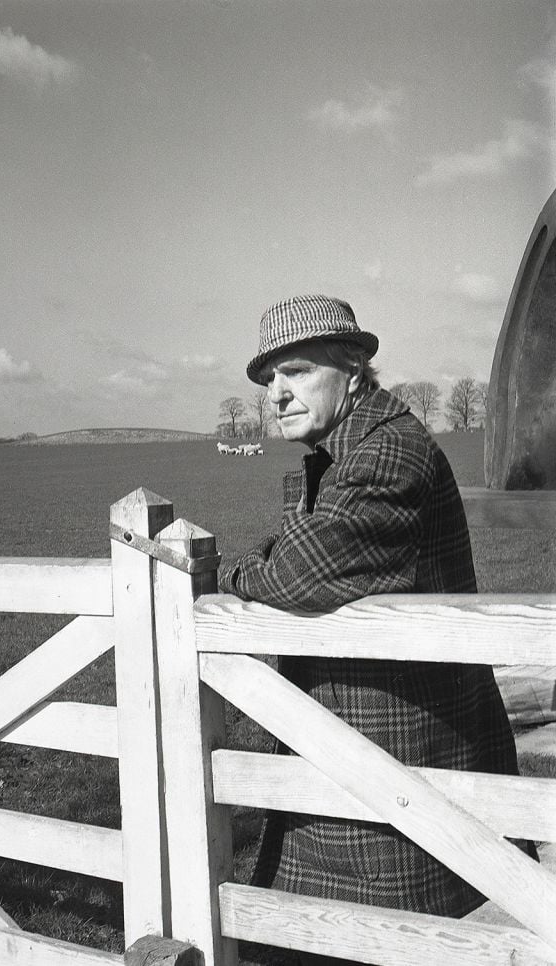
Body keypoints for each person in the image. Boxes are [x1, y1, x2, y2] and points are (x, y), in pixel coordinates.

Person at [218, 294, 530, 966]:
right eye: (269, 380)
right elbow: (300, 549)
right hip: (353, 762)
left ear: (354, 366)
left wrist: (228, 573)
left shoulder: (389, 452)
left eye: (295, 372)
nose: (275, 394)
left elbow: (295, 569)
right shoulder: (347, 450)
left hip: (395, 776)